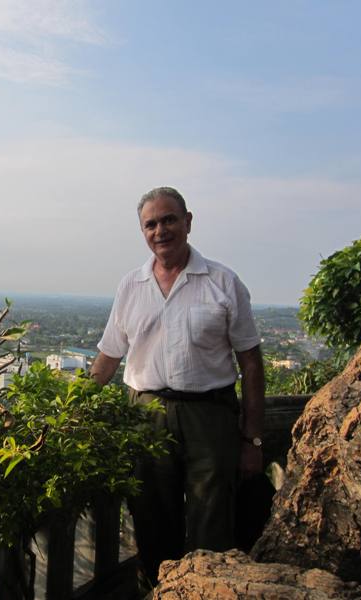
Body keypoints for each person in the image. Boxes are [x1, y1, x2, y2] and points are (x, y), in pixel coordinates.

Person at [90, 186, 265, 583]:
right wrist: (71, 410)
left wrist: (252, 440)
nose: (160, 230)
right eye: (150, 224)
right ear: (142, 232)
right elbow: (109, 357)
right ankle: (157, 591)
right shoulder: (130, 287)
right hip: (145, 417)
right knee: (151, 520)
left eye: (169, 219)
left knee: (212, 526)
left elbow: (251, 362)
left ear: (188, 221)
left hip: (210, 418)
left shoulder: (222, 281)